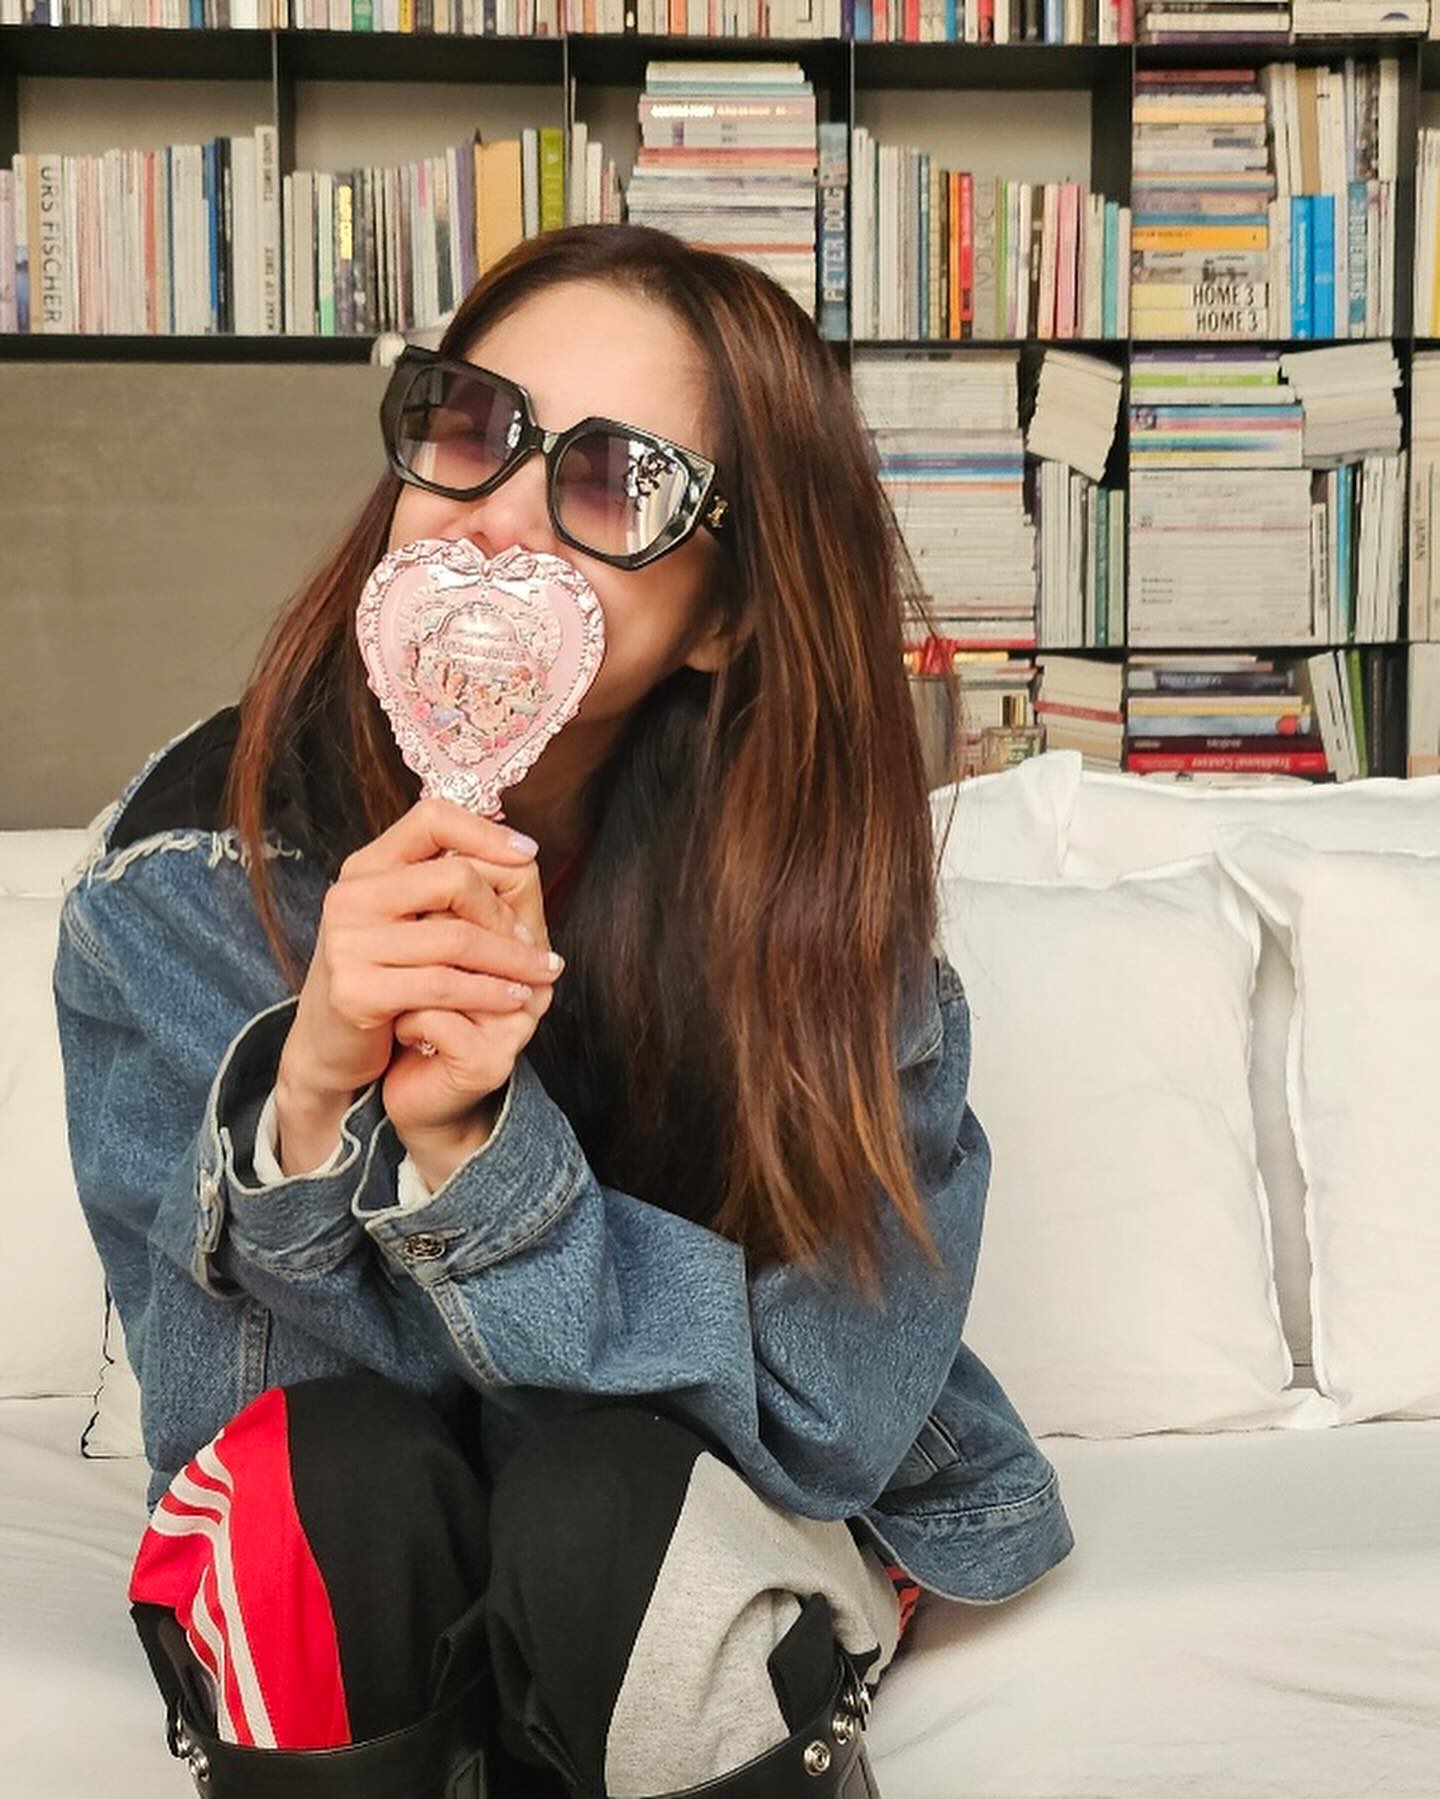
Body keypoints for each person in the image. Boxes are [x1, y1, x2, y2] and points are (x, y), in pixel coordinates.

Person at [52, 223, 1074, 1799]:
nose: (499, 518)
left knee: (601, 1505)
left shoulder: (812, 907)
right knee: (336, 1483)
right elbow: (235, 1431)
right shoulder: (186, 877)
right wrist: (311, 1107)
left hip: (662, 1531)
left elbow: (828, 1414)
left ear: (728, 615)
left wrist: (476, 1162)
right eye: (474, 427)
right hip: (366, 1536)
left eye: (614, 483)